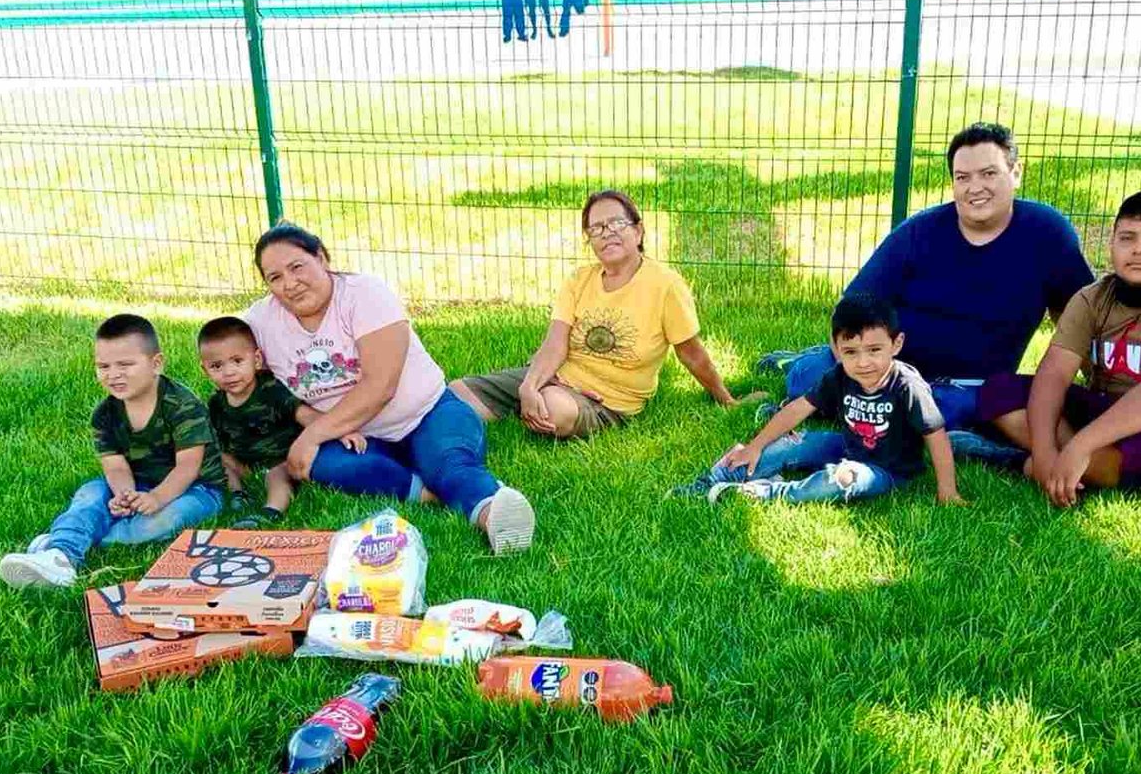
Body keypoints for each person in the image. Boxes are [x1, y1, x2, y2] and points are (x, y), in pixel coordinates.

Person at [756, 122, 1095, 431]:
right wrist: (866, 378)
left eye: (988, 173)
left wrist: (1097, 383)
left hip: (973, 386)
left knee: (965, 409)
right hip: (889, 367)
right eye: (962, 177)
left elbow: (1079, 314)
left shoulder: (1047, 233)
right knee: (808, 378)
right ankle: (796, 363)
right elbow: (853, 308)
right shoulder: (919, 231)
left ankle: (915, 421)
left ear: (1016, 172)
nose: (975, 188)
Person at [245, 223, 536, 555]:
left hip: (425, 413)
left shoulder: (364, 293)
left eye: (297, 267)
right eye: (274, 277)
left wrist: (311, 435)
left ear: (322, 258)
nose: (289, 284)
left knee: (448, 462)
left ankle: (491, 513)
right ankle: (429, 491)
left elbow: (380, 385)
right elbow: (228, 360)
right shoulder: (262, 322)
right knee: (324, 466)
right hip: (352, 436)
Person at [974, 190, 1141, 506]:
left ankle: (1029, 463)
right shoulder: (1092, 298)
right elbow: (1055, 373)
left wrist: (1081, 445)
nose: (1139, 249)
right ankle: (1081, 469)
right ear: (1111, 244)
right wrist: (1045, 450)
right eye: (1127, 238)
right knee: (999, 390)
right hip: (1108, 407)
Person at [451, 189, 748, 439]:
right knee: (456, 395)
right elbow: (555, 344)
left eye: (617, 223)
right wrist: (529, 385)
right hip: (557, 377)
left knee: (554, 410)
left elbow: (692, 354)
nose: (607, 234)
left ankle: (535, 405)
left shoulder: (666, 285)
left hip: (609, 400)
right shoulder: (579, 279)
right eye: (596, 228)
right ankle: (527, 400)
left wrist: (726, 399)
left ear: (638, 230)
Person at [0, 314, 227, 587]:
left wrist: (156, 497)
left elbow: (188, 466)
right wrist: (124, 495)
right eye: (103, 366)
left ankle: (66, 540)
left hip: (197, 488)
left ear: (156, 364)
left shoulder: (182, 406)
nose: (113, 374)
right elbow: (115, 466)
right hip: (137, 481)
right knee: (90, 494)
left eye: (125, 364)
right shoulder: (104, 414)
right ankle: (60, 557)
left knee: (163, 521)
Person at [670, 294, 963, 506]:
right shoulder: (839, 375)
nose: (863, 363)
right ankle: (712, 479)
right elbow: (799, 408)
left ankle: (768, 492)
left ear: (896, 344)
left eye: (875, 350)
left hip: (886, 471)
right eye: (851, 352)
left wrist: (947, 490)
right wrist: (755, 445)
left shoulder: (908, 386)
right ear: (836, 348)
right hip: (846, 446)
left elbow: (935, 435)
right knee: (791, 443)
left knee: (842, 479)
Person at [198, 315, 342, 529]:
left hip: (282, 458)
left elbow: (305, 415)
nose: (229, 372)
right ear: (205, 370)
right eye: (217, 366)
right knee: (216, 459)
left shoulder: (271, 390)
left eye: (238, 361)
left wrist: (341, 429)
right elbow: (217, 440)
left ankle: (272, 510)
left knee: (277, 474)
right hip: (245, 463)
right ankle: (238, 495)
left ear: (256, 360)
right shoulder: (216, 403)